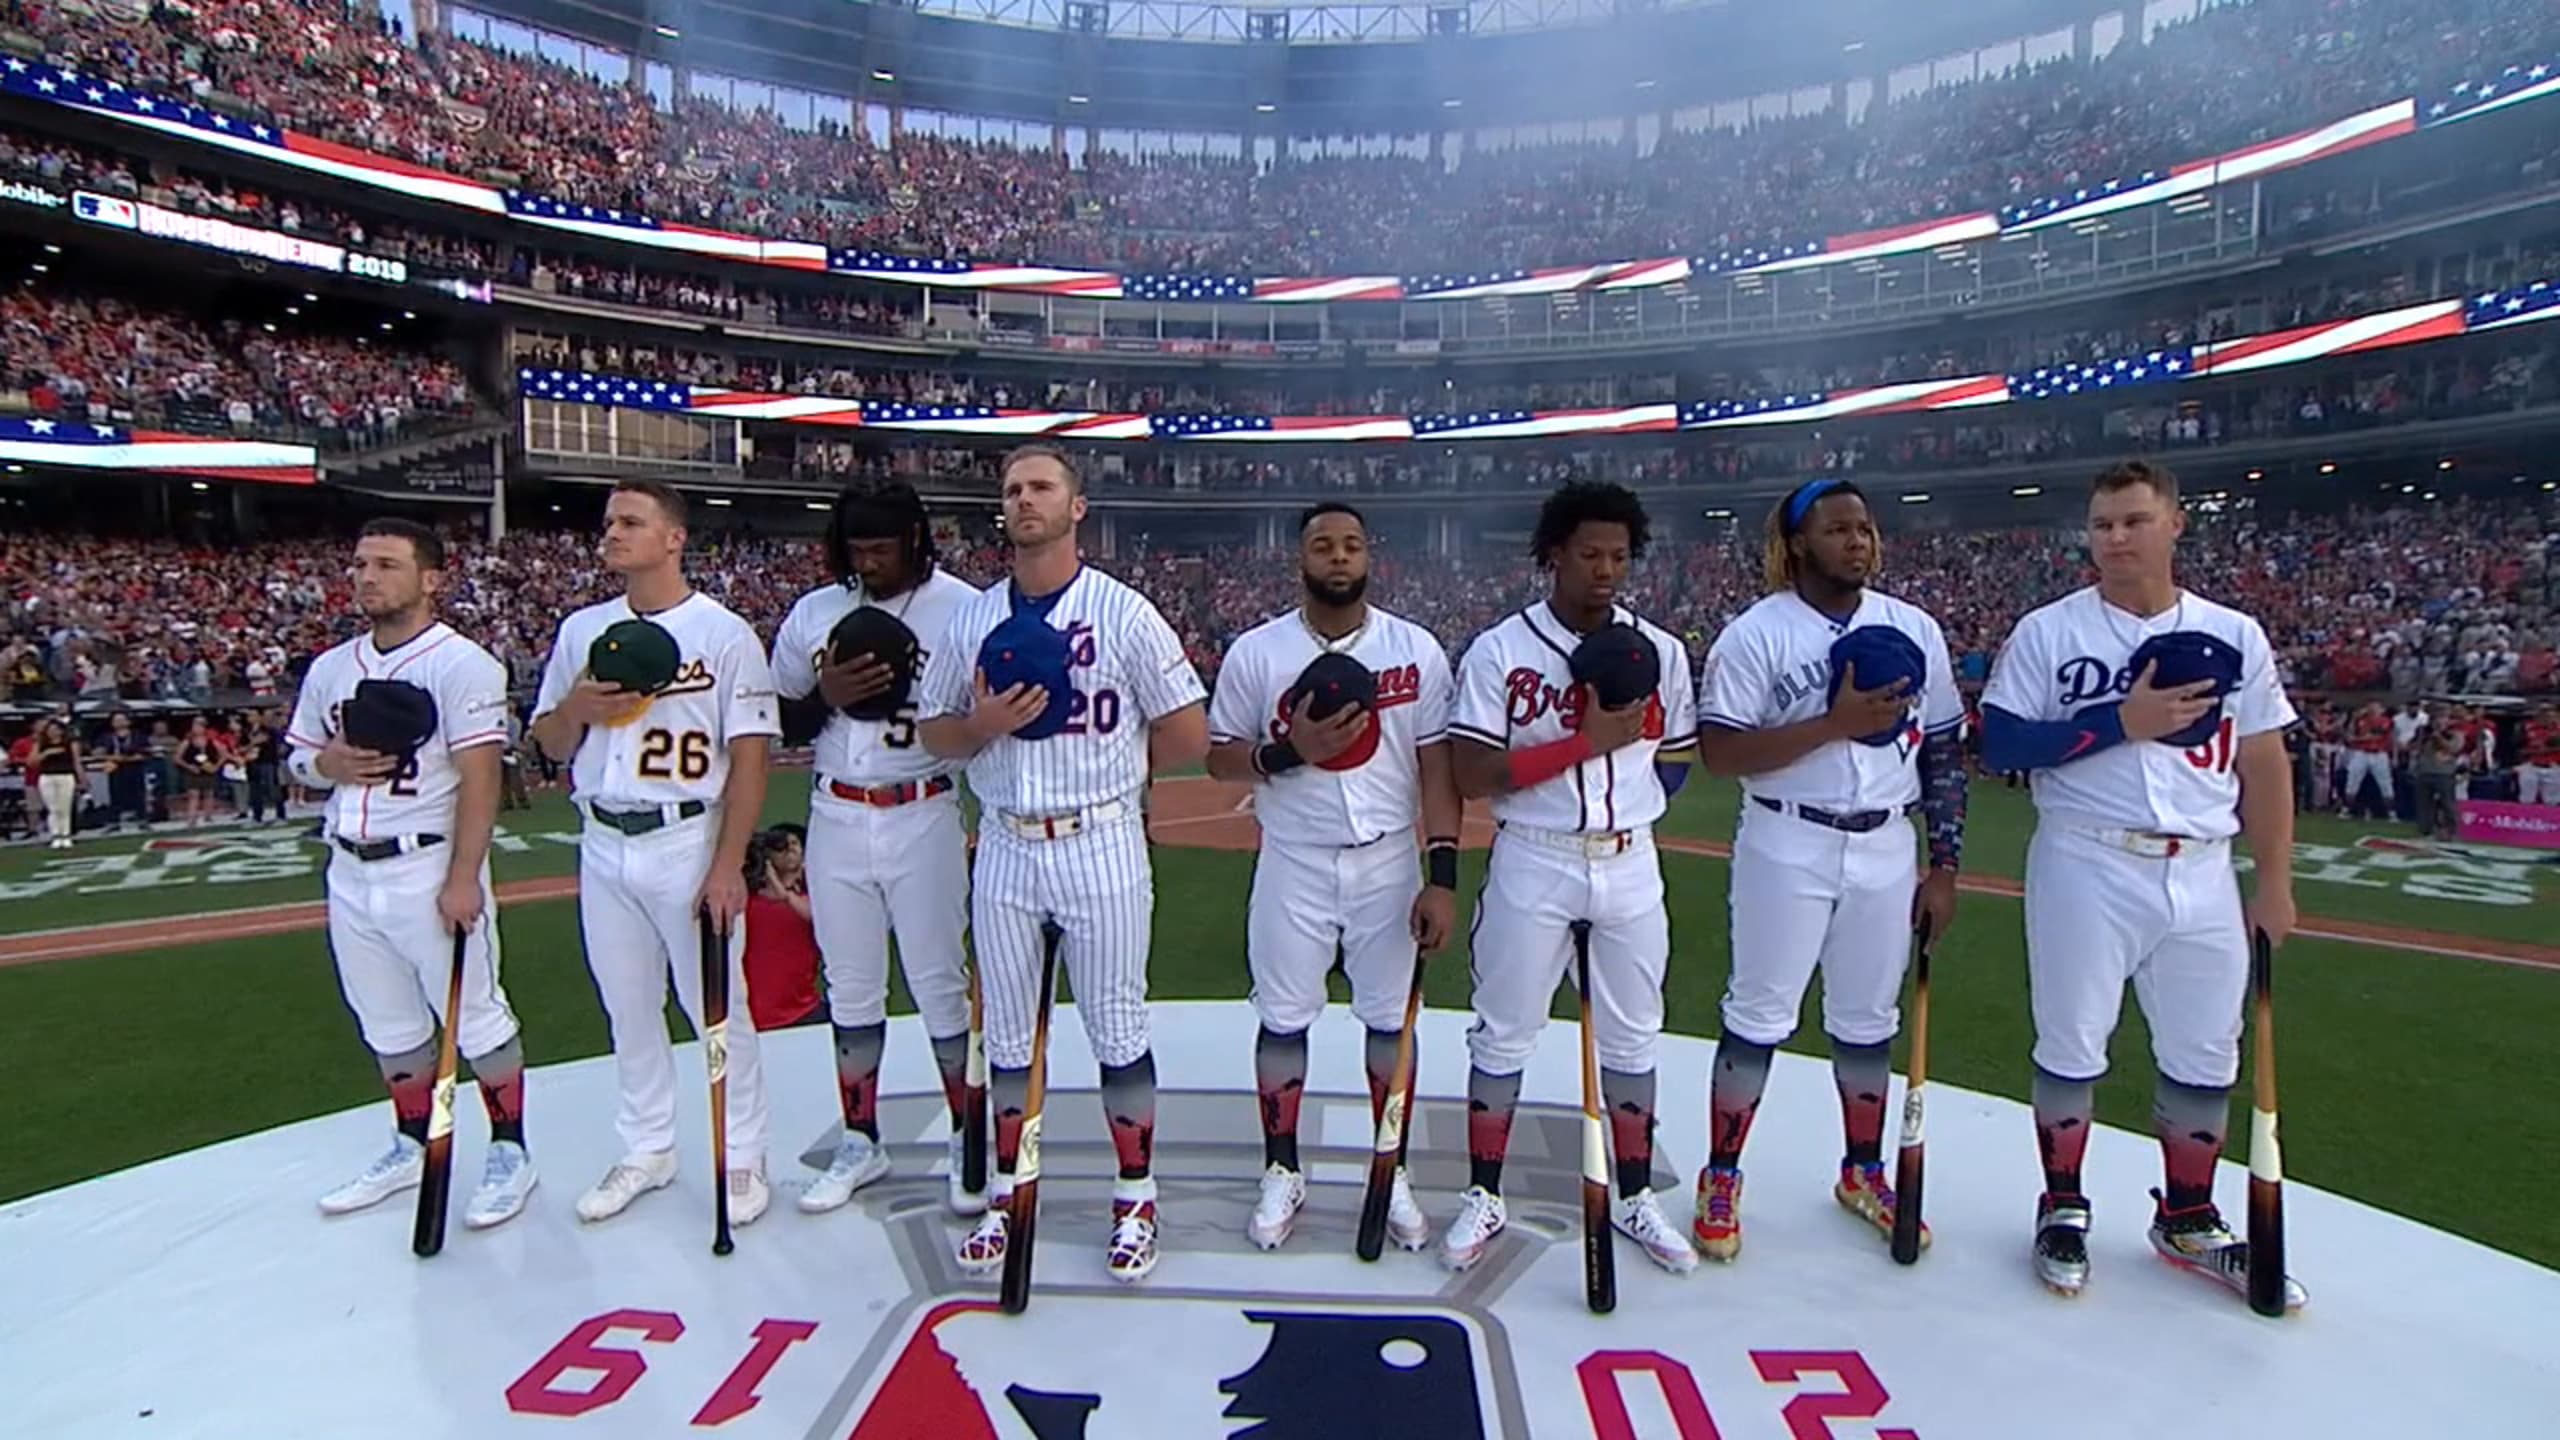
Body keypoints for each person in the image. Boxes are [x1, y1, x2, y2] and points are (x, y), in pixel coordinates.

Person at [1979, 460, 2304, 1310]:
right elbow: (2003, 745)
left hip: (2201, 865)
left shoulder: (2235, 632)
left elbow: (2265, 762)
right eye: (2101, 525)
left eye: (2132, 520)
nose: (2115, 538)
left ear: (2174, 525)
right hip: (2087, 855)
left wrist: (2275, 883)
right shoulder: (2050, 631)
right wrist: (2118, 723)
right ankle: (2063, 1205)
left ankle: (2189, 1217)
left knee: (2205, 1051)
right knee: (2072, 1042)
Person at [917, 443, 1210, 1285]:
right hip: (1006, 839)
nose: (1024, 499)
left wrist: (1110, 773)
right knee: (1007, 1038)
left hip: (1100, 839)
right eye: (1011, 489)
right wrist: (981, 726)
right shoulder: (971, 618)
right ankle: (1011, 1196)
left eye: (1042, 486)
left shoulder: (1124, 612)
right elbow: (935, 733)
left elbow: (1187, 732)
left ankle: (1135, 1196)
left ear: (1076, 507)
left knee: (1117, 1030)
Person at [1689, 478, 1966, 1262]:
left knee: (1868, 1019)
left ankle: (1862, 1170)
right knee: (1759, 1012)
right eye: (1839, 528)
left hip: (1886, 842)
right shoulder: (1758, 633)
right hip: (1788, 838)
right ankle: (1723, 1172)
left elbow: (1943, 746)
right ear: (1799, 541)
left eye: (1866, 528)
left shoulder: (1913, 626)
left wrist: (1944, 864)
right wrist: (1834, 724)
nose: (1858, 541)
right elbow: (1721, 752)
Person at [1439, 480, 1700, 1275]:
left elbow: (1678, 762)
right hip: (1536, 856)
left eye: (1619, 556)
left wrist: (1623, 796)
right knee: (1504, 1029)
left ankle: (1632, 1194)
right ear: (1553, 554)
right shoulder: (1499, 650)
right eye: (1589, 553)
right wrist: (1582, 746)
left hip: (1628, 859)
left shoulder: (1663, 650)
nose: (1606, 570)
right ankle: (1484, 1192)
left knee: (1633, 1035)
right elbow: (1474, 771)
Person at [1202, 501, 1460, 1253]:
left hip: (1388, 861)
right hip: (1294, 858)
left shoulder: (1415, 649)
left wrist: (1440, 872)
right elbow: (1220, 757)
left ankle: (1392, 1164)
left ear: (1369, 556)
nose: (1338, 557)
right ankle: (1282, 1168)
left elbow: (1437, 767)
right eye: (1323, 546)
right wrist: (1289, 751)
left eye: (1351, 545)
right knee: (1283, 1018)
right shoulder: (1258, 651)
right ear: (1301, 560)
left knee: (1389, 1020)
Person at [531, 478, 780, 1228]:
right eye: (609, 522)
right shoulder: (582, 630)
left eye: (631, 521)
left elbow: (752, 755)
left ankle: (742, 1152)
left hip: (685, 833)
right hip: (603, 836)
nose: (612, 533)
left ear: (674, 538)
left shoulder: (725, 632)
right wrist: (574, 709)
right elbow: (546, 743)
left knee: (716, 1006)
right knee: (627, 1007)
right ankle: (647, 1147)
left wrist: (728, 862)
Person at [286, 519, 534, 1229]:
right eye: (361, 563)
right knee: (388, 1024)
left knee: (478, 1017)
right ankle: (409, 1140)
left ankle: (512, 1151)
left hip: (427, 862)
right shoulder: (332, 667)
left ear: (431, 580)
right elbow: (298, 758)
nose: (367, 577)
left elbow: (481, 778)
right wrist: (323, 766)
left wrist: (464, 876)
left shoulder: (463, 665)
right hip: (350, 865)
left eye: (387, 565)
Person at [769, 479, 985, 1216]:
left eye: (882, 549)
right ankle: (861, 1137)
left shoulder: (962, 608)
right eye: (857, 549)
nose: (869, 564)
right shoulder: (817, 611)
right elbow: (781, 722)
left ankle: (967, 1133)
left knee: (936, 980)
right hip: (835, 811)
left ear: (916, 540)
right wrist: (822, 693)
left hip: (922, 806)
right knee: (851, 983)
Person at [740, 825, 824, 1032]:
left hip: (805, 1012)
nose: (789, 850)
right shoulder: (744, 902)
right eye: (780, 846)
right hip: (748, 1017)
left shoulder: (814, 898)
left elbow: (820, 916)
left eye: (794, 844)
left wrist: (784, 893)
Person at [31, 715, 81, 850]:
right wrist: (46, 753)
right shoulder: (40, 743)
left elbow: (76, 761)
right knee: (53, 808)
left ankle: (66, 835)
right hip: (47, 777)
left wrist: (81, 779)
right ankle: (55, 835)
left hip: (65, 776)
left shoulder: (70, 742)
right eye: (50, 729)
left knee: (64, 807)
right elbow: (31, 762)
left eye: (56, 729)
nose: (53, 732)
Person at [2520, 704, 2560, 808]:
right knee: (2527, 800)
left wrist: (2546, 750)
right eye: (2542, 712)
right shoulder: (2527, 728)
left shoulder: (2558, 729)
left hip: (2553, 767)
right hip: (2532, 766)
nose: (2546, 715)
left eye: (2549, 712)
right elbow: (2519, 748)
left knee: (2552, 802)